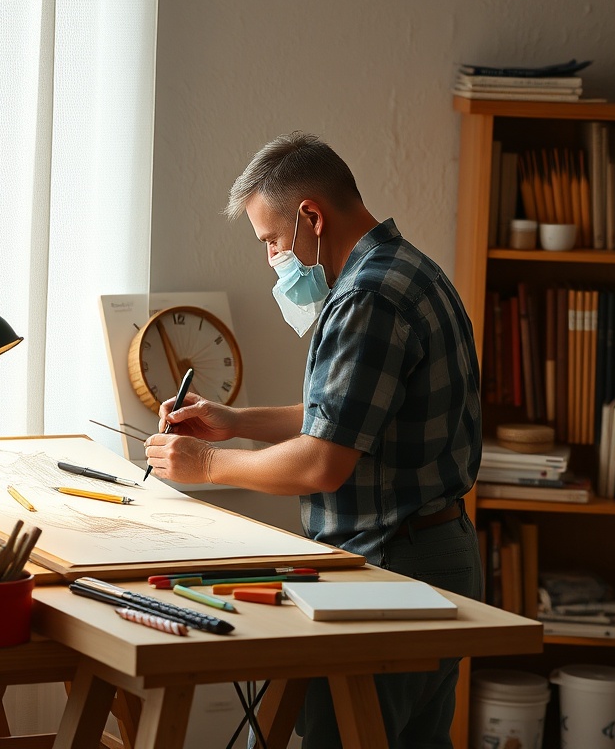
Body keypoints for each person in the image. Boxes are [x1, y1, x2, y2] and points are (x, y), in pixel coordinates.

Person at [142, 131, 483, 748]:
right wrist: (235, 421)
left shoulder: (366, 296)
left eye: (271, 240)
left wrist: (207, 462)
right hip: (432, 551)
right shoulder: (407, 268)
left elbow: (324, 463)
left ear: (311, 218)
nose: (271, 257)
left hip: (391, 565)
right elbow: (347, 414)